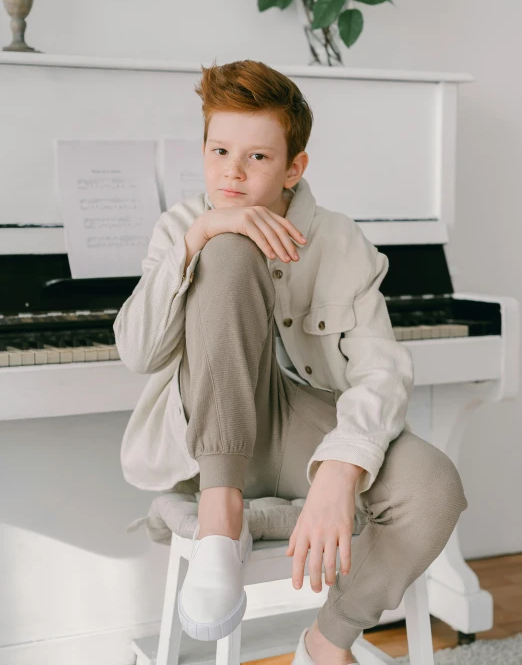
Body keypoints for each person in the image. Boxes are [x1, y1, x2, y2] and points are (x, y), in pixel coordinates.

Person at [114, 59, 468, 665]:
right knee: (227, 252)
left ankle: (326, 644)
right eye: (219, 150)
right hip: (212, 445)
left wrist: (339, 469)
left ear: (293, 167)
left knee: (434, 488)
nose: (232, 171)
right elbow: (138, 353)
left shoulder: (338, 239)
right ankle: (221, 525)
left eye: (256, 157)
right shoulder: (181, 228)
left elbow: (380, 370)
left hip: (307, 434)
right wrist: (200, 238)